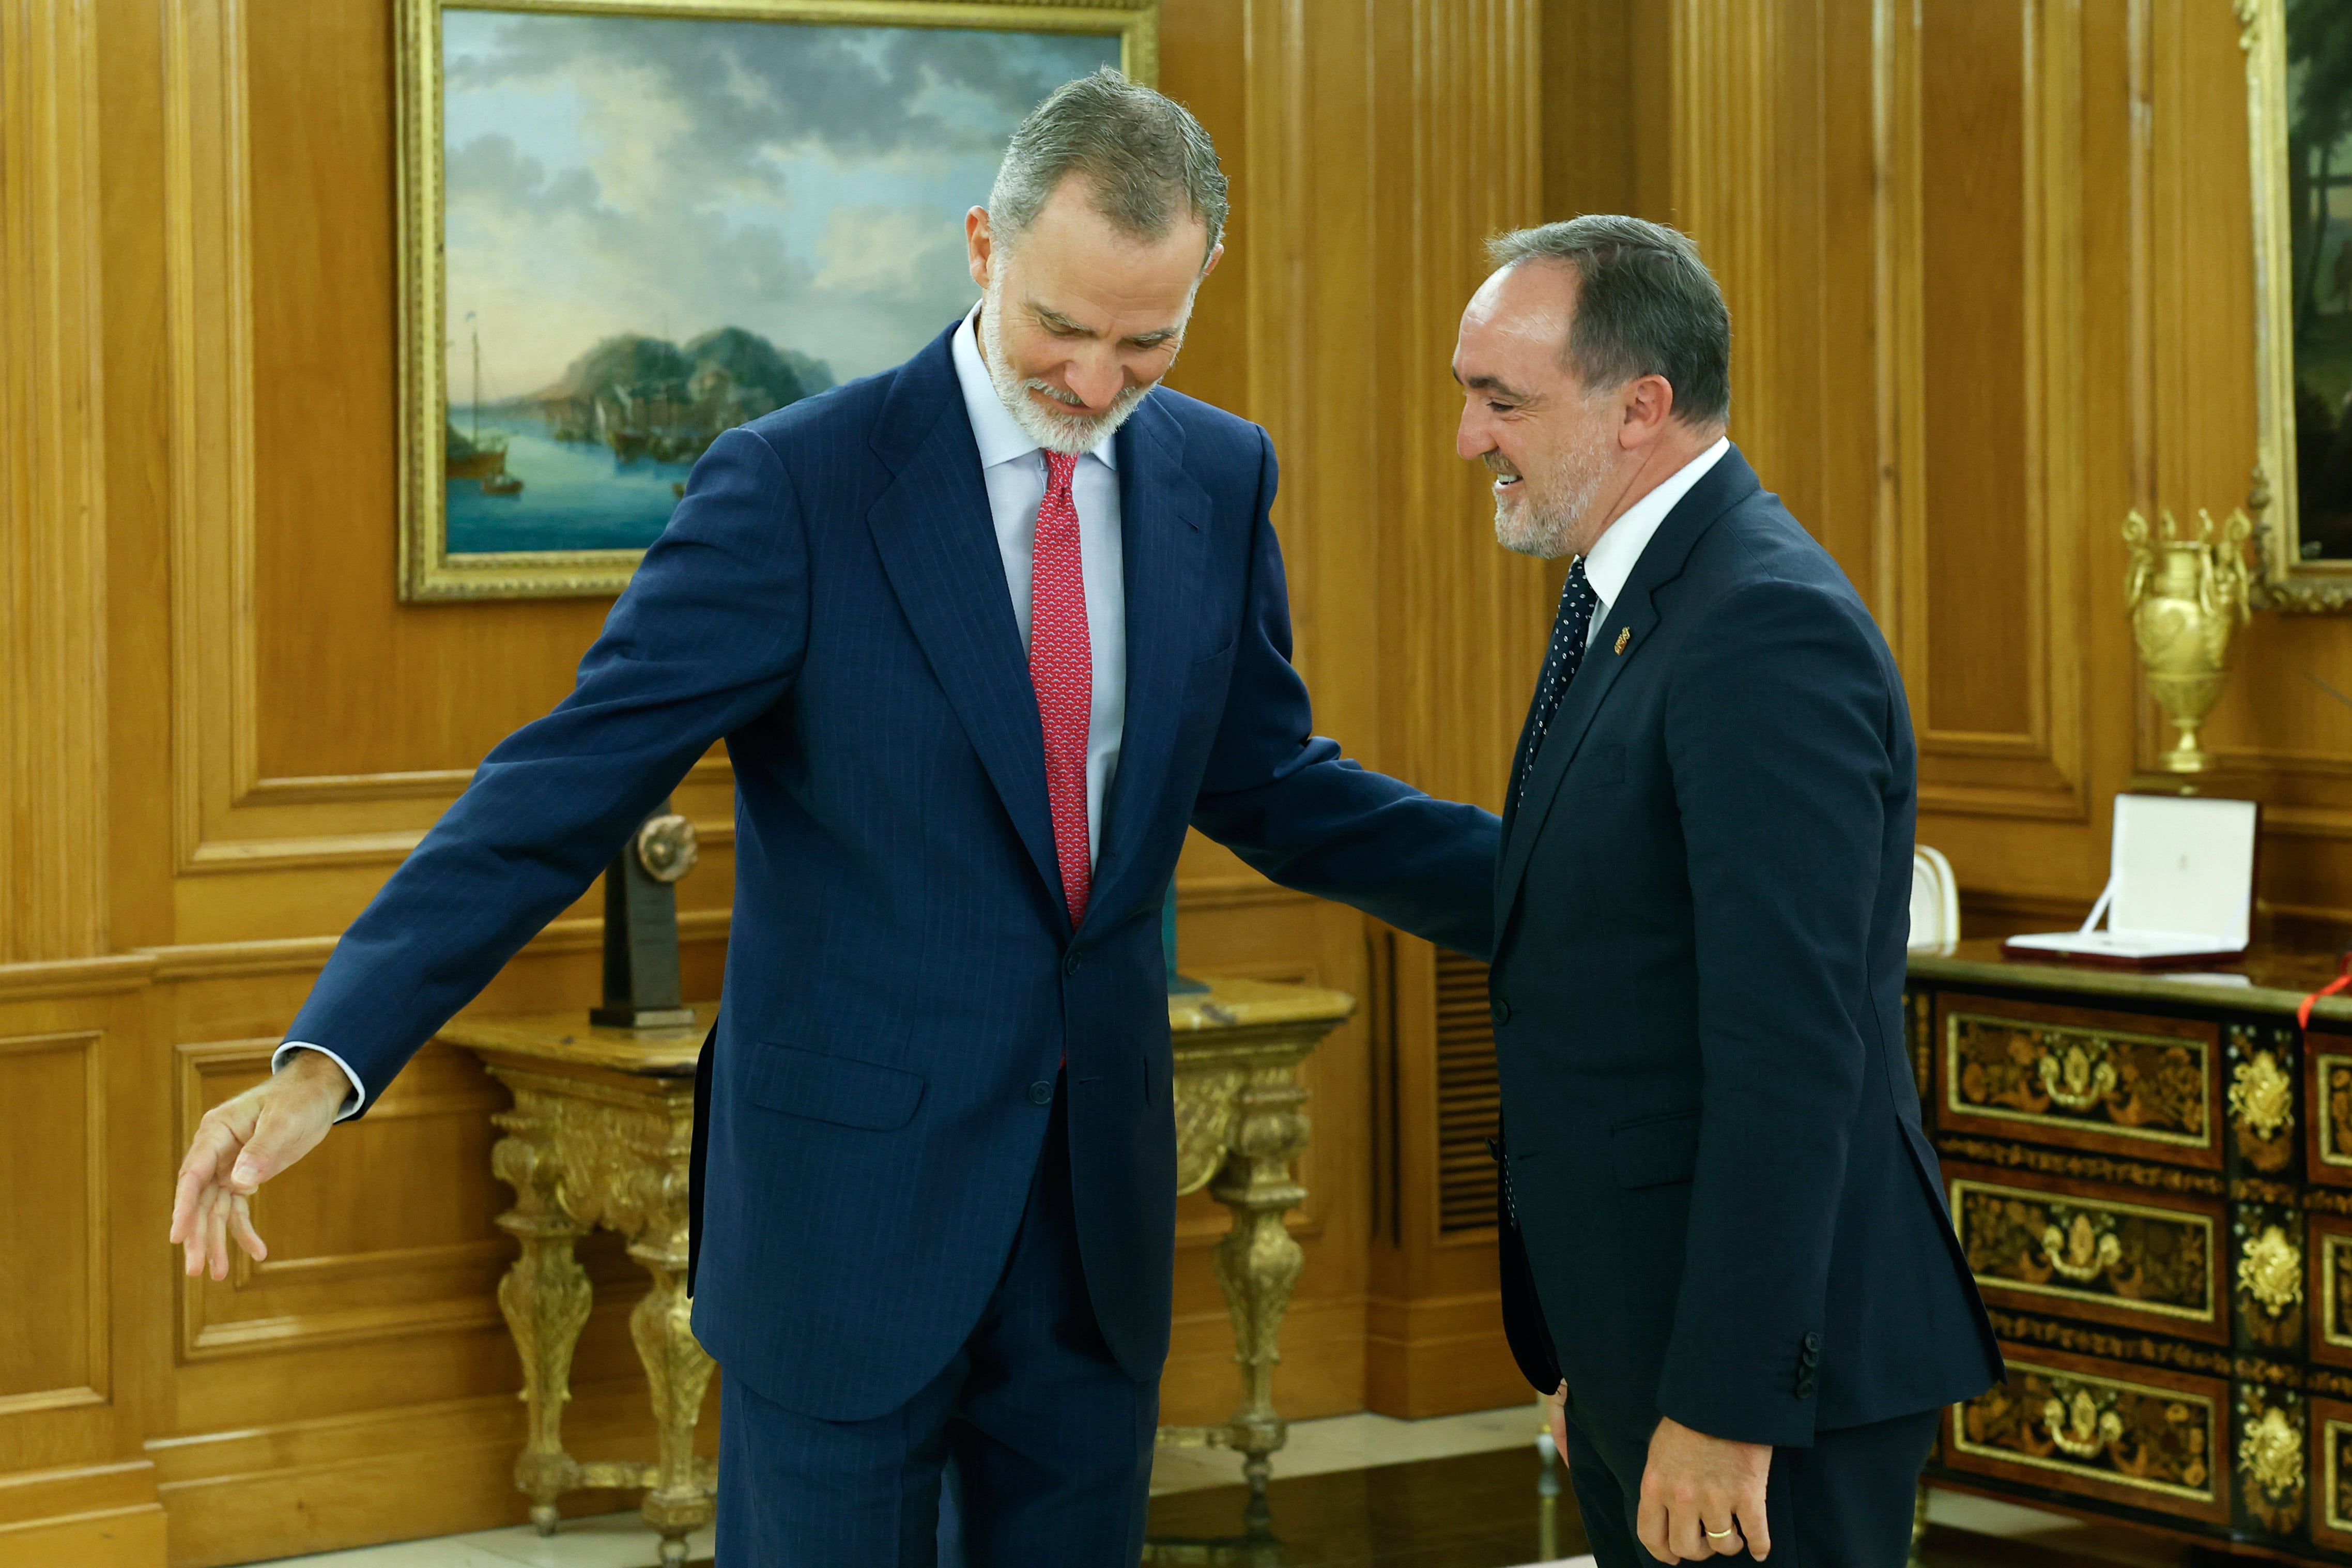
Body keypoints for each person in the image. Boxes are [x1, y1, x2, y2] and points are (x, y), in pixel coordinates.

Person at [169, 70, 1499, 1567]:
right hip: (842, 1230)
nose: (1096, 381)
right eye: (1063, 328)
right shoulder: (796, 484)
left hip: (1094, 1231)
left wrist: (1559, 882)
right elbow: (562, 785)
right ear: (985, 247)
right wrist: (323, 1059)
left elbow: (1273, 782)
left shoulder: (1213, 469)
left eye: (1149, 339)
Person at [1457, 216, 2000, 1566]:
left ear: (1641, 407)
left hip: (1766, 1387)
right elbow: (1602, 922)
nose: (1471, 438)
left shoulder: (1760, 624)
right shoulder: (1637, 596)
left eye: (1500, 400)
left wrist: (1722, 1396)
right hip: (1656, 1334)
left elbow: (1792, 1051)